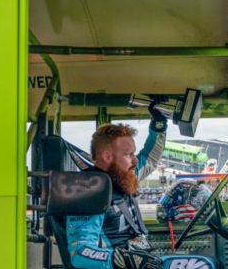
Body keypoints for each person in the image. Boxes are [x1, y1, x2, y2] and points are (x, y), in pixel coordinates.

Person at [65, 104, 168, 269]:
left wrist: (159, 125)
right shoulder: (88, 191)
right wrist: (123, 259)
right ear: (107, 157)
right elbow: (80, 253)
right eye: (128, 154)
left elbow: (150, 159)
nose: (135, 160)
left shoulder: (123, 176)